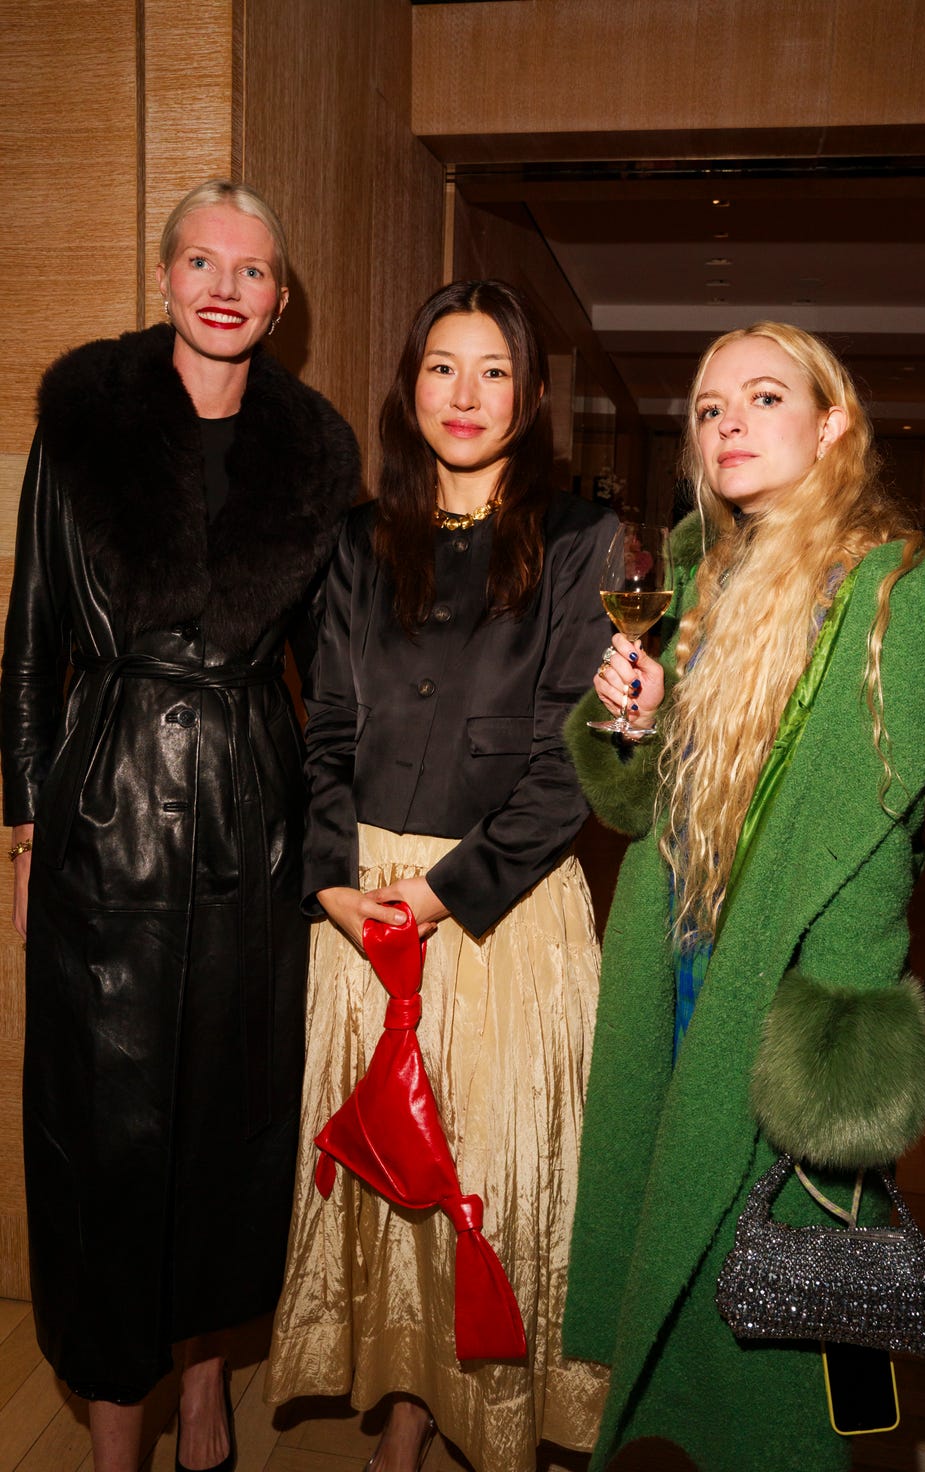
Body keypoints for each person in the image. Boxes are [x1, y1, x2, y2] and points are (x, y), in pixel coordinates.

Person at [561, 321, 925, 1472]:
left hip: (804, 1011)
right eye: (706, 407)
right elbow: (626, 805)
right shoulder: (694, 583)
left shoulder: (901, 596)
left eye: (760, 396)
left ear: (831, 421)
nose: (727, 420)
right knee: (691, 1298)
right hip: (685, 980)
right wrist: (631, 718)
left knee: (798, 1321)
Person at [0, 179, 359, 1472]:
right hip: (100, 809)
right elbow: (32, 637)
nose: (224, 286)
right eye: (201, 261)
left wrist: (333, 848)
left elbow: (340, 679)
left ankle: (205, 1398)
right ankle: (113, 1430)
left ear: (277, 300)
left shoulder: (316, 450)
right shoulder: (85, 419)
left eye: (251, 271)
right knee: (101, 1136)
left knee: (229, 1123)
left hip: (252, 820)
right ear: (164, 278)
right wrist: (28, 836)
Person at [265, 280, 614, 1472]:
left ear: (528, 395)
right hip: (361, 906)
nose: (464, 397)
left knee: (494, 1178)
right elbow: (326, 730)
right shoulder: (358, 541)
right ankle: (402, 1415)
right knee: (382, 1183)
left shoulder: (581, 542)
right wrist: (329, 881)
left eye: (493, 372)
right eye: (440, 368)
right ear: (407, 386)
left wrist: (443, 891)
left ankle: (500, 1419)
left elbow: (575, 752)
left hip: (498, 912)